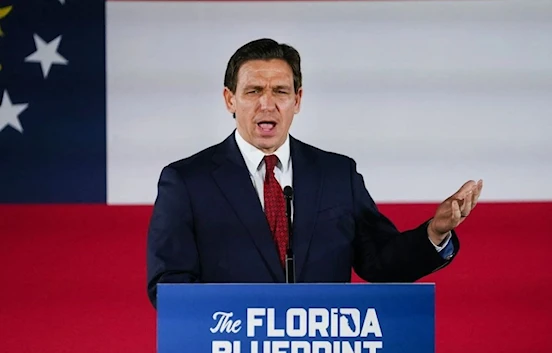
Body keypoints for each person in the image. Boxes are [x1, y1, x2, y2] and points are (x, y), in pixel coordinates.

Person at [146, 38, 483, 309]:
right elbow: (169, 286)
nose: (267, 104)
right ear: (229, 100)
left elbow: (380, 262)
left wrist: (435, 232)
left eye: (280, 91)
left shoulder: (337, 174)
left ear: (298, 99)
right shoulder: (187, 181)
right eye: (253, 91)